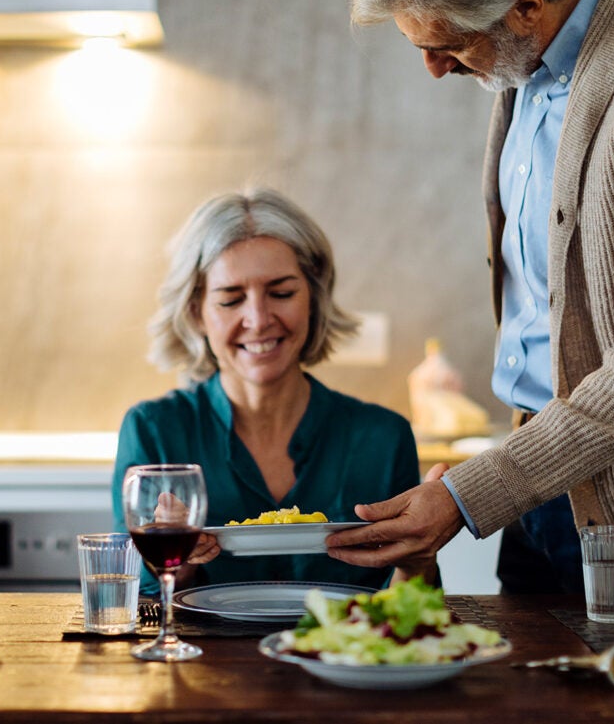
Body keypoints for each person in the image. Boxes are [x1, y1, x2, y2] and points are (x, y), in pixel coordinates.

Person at [328, 0, 614, 596]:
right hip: (537, 485)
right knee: (528, 690)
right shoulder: (526, 66)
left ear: (526, 6)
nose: (434, 70)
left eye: (450, 46)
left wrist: (466, 495)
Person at [111, 187, 430, 594]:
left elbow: (416, 610)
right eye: (231, 300)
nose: (258, 320)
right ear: (196, 312)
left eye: (281, 293)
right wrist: (178, 565)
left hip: (341, 655)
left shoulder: (384, 438)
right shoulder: (153, 431)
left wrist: (419, 561)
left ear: (314, 299)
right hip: (204, 658)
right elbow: (139, 607)